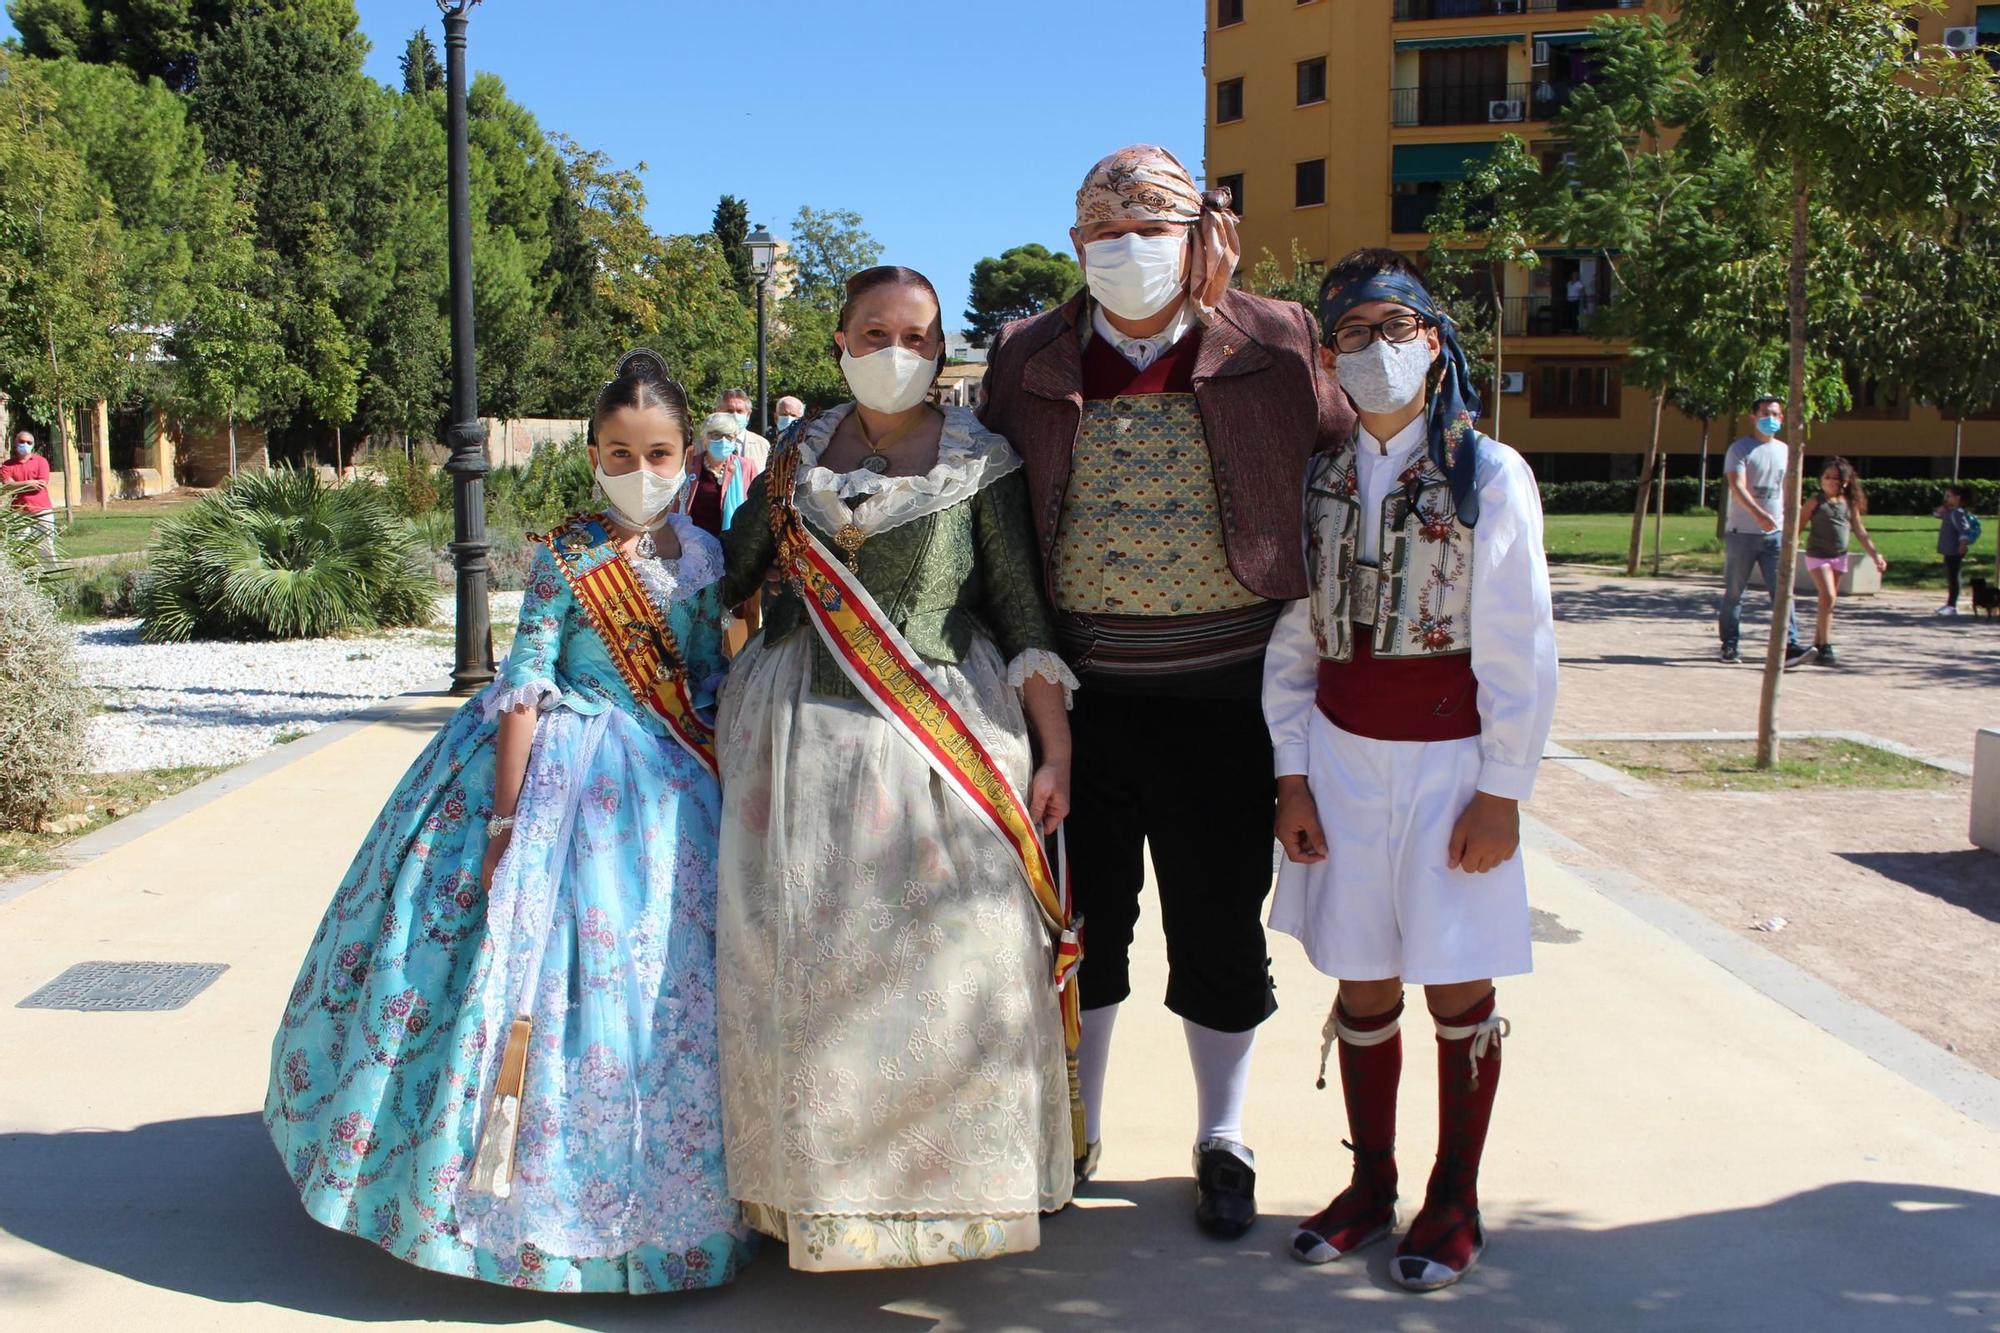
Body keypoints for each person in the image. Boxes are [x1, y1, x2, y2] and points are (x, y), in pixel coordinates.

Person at [265, 350, 752, 1293]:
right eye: (618, 451)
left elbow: (708, 675)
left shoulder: (706, 555)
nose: (639, 470)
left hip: (670, 785)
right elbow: (523, 687)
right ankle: (504, 1210)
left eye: (657, 452)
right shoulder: (564, 554)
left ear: (686, 453)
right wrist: (502, 824)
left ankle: (673, 1216)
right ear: (592, 452)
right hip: (559, 785)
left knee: (664, 994)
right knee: (528, 981)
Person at [979, 144, 1353, 1239]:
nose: (1130, 249)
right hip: (1080, 700)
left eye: (1155, 227)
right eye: (1106, 232)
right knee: (1082, 922)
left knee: (1216, 924)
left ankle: (1221, 1135)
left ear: (1202, 235)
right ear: (1075, 245)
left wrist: (1228, 311)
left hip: (1222, 695)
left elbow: (1333, 440)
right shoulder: (1026, 352)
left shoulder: (1271, 337)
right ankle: (1076, 1121)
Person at [714, 265, 1081, 1271]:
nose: (896, 352)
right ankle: (810, 1198)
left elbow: (1019, 611)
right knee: (802, 973)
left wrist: (1053, 747)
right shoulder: (795, 449)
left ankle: (939, 1198)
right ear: (836, 341)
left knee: (937, 969)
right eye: (874, 332)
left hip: (931, 737)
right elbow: (737, 567)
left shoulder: (978, 458)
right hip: (789, 740)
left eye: (917, 337)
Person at [1266, 248, 1558, 1293]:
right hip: (1342, 758)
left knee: (1457, 974)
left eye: (1397, 328)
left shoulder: (1486, 473)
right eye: (1352, 333)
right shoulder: (1318, 474)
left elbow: (1518, 643)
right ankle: (1372, 1182)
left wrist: (1500, 789)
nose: (1376, 350)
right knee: (1361, 970)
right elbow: (1294, 640)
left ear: (1433, 343)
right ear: (1329, 355)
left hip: (1450, 762)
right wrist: (1291, 775)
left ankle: (1454, 1194)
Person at [1717, 397, 1814, 668]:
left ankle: (1790, 645)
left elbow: (1789, 490)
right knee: (1735, 592)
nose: (1771, 418)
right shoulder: (1740, 449)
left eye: (1776, 414)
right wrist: (1759, 515)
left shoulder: (1787, 450)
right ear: (1753, 417)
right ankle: (1730, 644)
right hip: (1742, 532)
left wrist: (1790, 524)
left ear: (1782, 419)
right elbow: (1737, 486)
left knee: (1783, 591)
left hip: (1775, 536)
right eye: (1765, 413)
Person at [1798, 458, 1885, 665]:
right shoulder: (1815, 502)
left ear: (1844, 482)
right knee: (1828, 595)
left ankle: (1817, 644)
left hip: (1839, 556)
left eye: (1833, 478)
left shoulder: (1848, 504)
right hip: (1817, 556)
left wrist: (1875, 555)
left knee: (1828, 601)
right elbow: (1797, 526)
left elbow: (1860, 531)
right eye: (1825, 477)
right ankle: (1826, 646)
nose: (1828, 481)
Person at [1, 430, 55, 565]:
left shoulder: (41, 461)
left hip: (42, 509)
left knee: (46, 543)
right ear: (15, 443)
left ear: (33, 445)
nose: (25, 444)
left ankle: (50, 573)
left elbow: (41, 484)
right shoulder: (8, 465)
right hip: (19, 511)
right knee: (19, 544)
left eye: (28, 442)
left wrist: (16, 485)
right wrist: (29, 483)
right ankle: (24, 574)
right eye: (21, 441)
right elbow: (6, 485)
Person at [1935, 482, 1980, 616]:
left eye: (1949, 496)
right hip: (1948, 550)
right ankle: (1949, 604)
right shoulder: (1950, 512)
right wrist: (1941, 509)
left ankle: (1952, 606)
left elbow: (1964, 530)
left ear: (1957, 498)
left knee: (1954, 578)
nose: (1946, 499)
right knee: (1951, 577)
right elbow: (1936, 514)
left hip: (1954, 550)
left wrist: (1962, 545)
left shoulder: (1958, 513)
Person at [718, 388, 771, 470]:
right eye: (729, 411)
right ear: (718, 412)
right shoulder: (705, 444)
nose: (735, 415)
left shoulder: (762, 445)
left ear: (748, 414)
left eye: (739, 411)